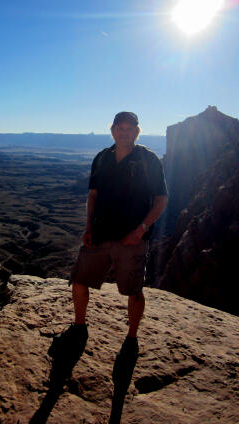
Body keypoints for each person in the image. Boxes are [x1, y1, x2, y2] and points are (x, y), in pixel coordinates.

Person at [67, 111, 168, 350]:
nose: (124, 133)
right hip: (100, 234)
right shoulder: (102, 158)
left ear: (136, 132)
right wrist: (89, 227)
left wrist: (141, 229)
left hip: (132, 239)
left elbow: (162, 199)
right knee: (79, 281)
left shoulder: (148, 159)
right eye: (119, 129)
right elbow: (93, 196)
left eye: (129, 129)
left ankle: (132, 338)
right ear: (113, 131)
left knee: (133, 291)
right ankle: (79, 326)